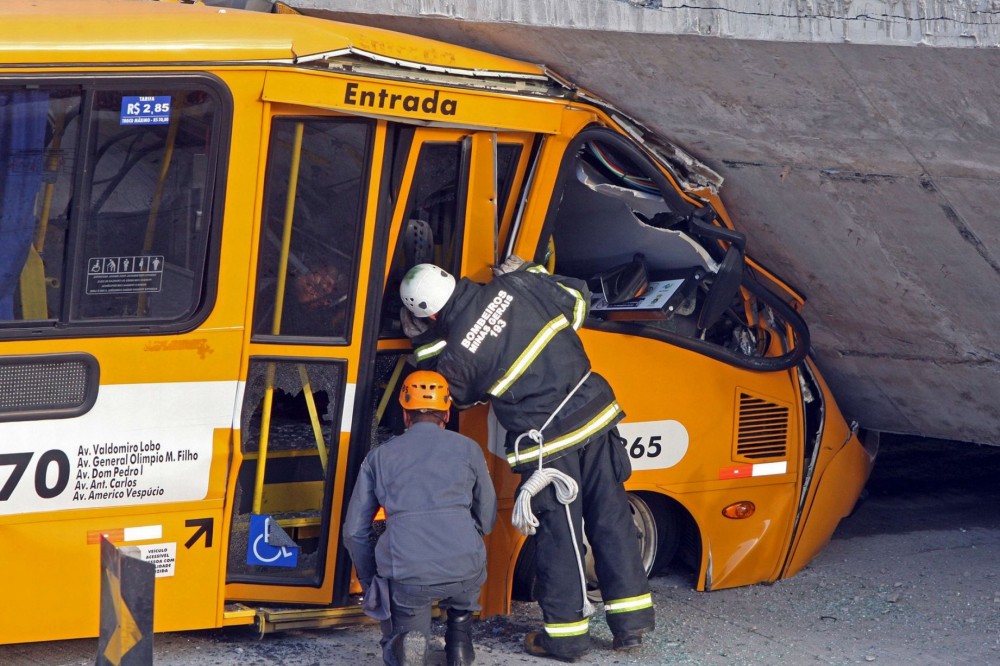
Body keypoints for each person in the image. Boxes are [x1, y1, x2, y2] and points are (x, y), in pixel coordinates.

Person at [398, 259, 654, 662]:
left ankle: (568, 638)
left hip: (548, 445)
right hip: (595, 416)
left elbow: (454, 397)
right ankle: (632, 625)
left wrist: (424, 342)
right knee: (612, 518)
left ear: (428, 314)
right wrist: (534, 272)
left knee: (560, 538)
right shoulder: (518, 284)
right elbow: (579, 305)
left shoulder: (459, 354)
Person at [343, 370, 497, 666]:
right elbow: (487, 517)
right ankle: (460, 642)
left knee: (404, 637)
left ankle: (408, 644)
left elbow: (355, 532)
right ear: (447, 412)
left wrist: (369, 579)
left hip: (409, 572)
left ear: (404, 414)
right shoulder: (469, 449)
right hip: (466, 566)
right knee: (464, 590)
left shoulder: (379, 457)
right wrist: (462, 536)